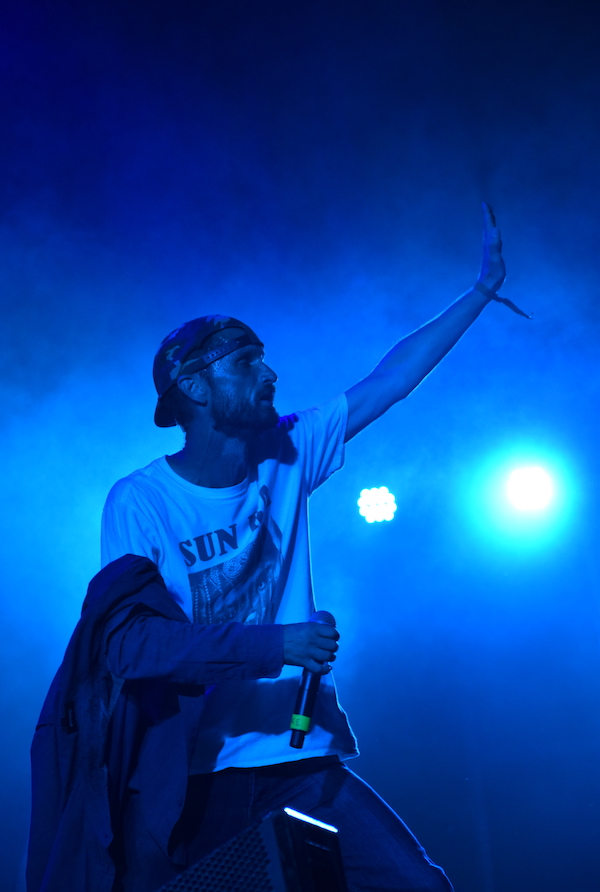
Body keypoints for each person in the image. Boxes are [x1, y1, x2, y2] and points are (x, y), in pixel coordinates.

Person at [28, 204, 523, 892]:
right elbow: (132, 647)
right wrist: (278, 645)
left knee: (419, 886)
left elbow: (388, 382)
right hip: (199, 779)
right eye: (247, 360)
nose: (270, 372)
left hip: (301, 763)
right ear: (193, 386)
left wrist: (479, 292)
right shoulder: (140, 501)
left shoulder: (286, 451)